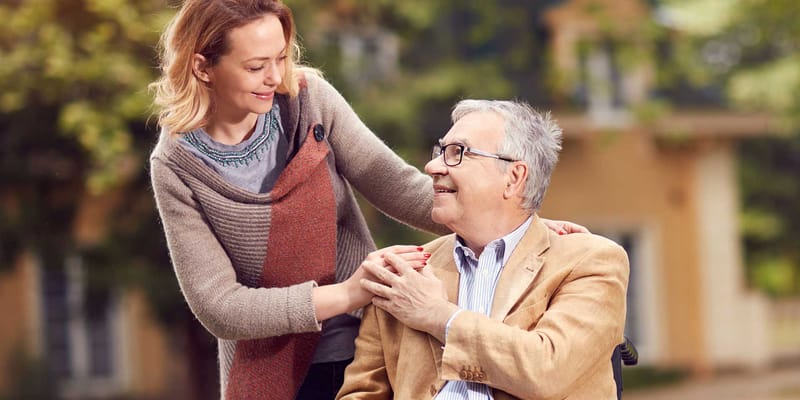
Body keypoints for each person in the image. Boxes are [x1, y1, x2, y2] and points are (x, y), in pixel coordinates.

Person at [148, 1, 587, 399]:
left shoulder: (308, 102)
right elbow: (220, 307)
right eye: (256, 66)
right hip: (272, 373)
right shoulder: (176, 167)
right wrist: (351, 292)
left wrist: (527, 230)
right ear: (203, 67)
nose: (275, 77)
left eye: (281, 57)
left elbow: (395, 183)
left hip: (363, 351)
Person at [337, 100, 630, 400]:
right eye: (440, 151)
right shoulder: (402, 273)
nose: (432, 166)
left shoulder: (590, 262)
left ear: (514, 178)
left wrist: (439, 316)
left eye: (458, 153)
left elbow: (548, 370)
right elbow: (361, 393)